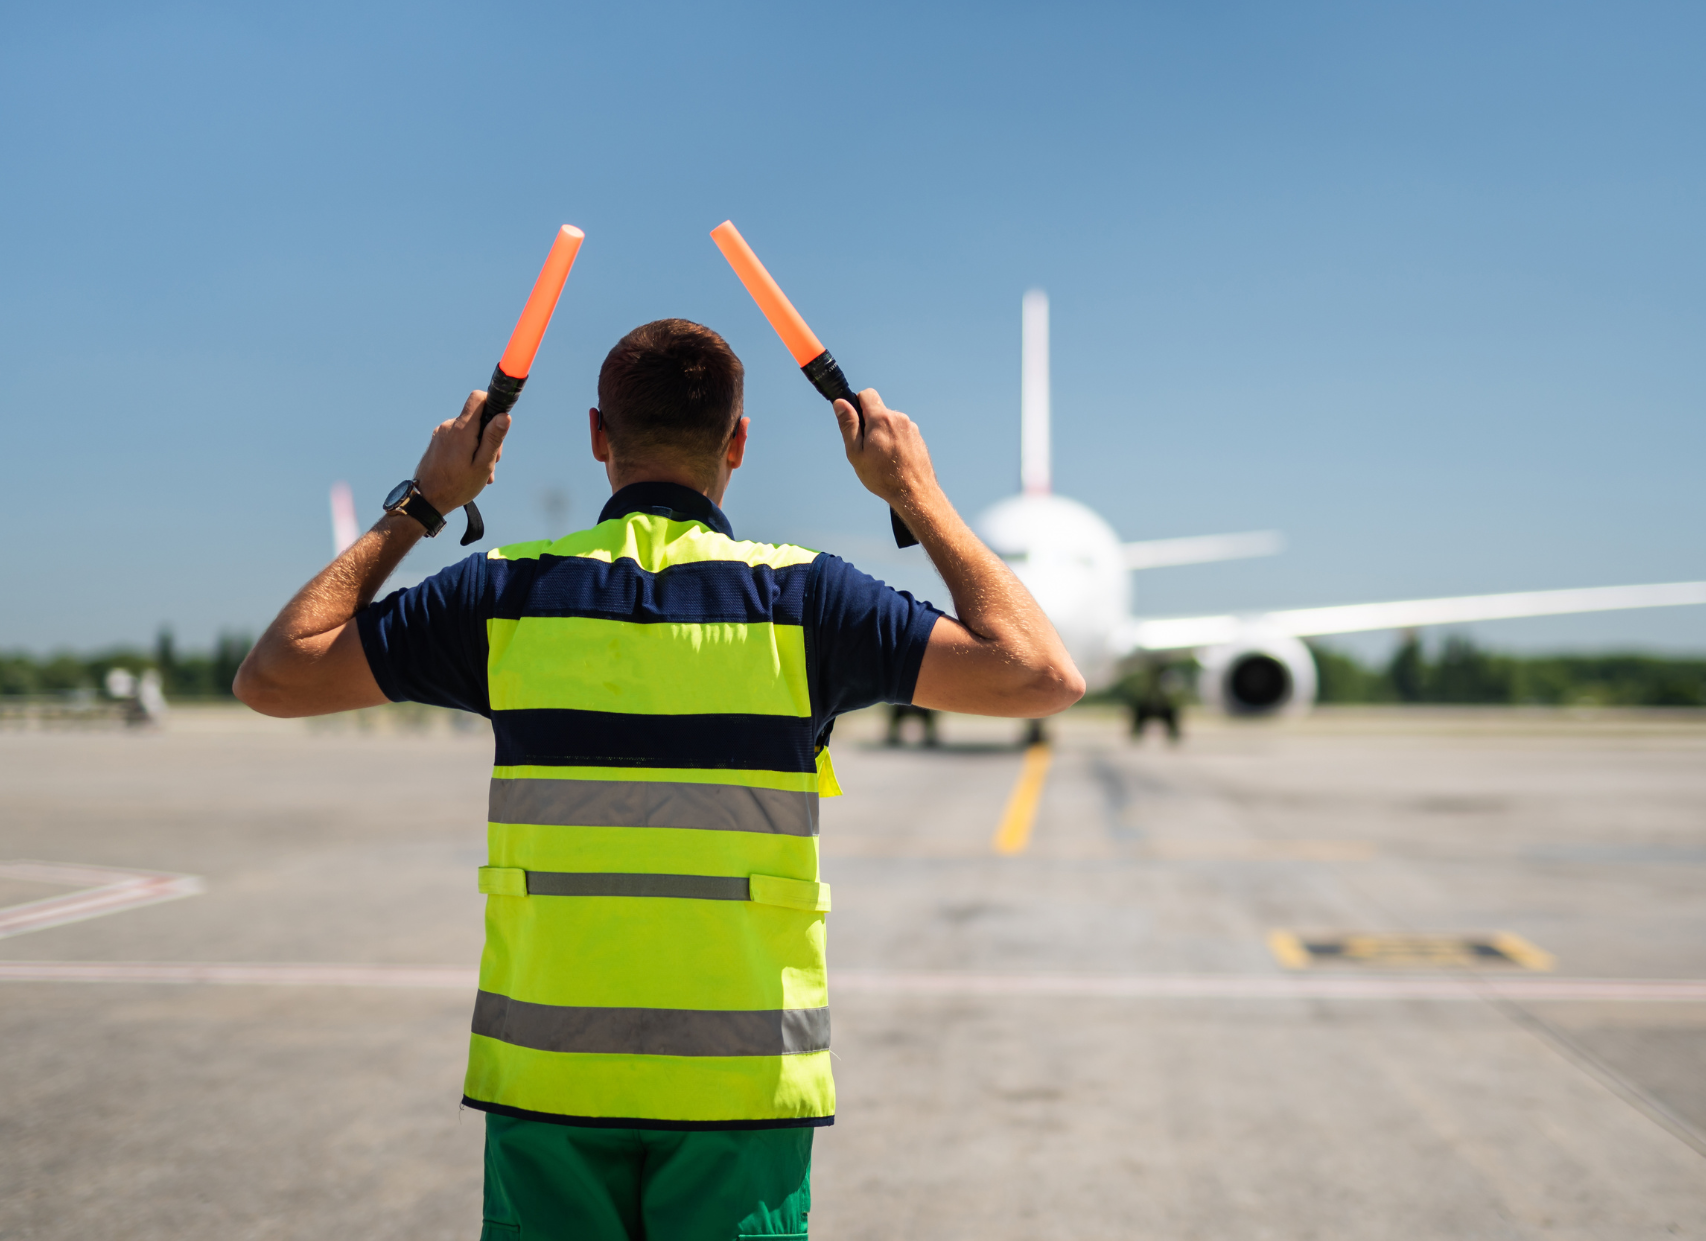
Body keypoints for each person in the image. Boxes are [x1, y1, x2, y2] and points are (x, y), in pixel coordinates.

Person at [233, 318, 1083, 1240]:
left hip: (547, 1082)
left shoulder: (504, 596)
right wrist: (915, 492)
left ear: (600, 436)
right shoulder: (805, 604)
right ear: (739, 443)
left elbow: (275, 676)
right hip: (739, 1089)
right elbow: (1040, 674)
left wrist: (426, 503)